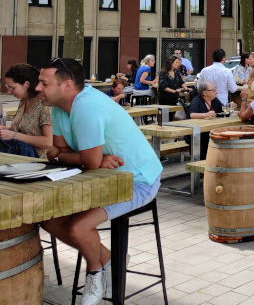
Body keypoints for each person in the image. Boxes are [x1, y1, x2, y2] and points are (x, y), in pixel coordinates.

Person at [38, 58, 162, 305]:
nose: (38, 88)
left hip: (136, 180)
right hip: (99, 180)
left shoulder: (87, 107)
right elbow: (62, 152)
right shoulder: (57, 106)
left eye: (44, 83)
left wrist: (84, 158)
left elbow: (77, 158)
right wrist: (84, 158)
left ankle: (95, 273)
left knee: (78, 227)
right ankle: (109, 259)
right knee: (48, 219)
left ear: (67, 85)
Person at [2, 63, 53, 158]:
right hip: (19, 153)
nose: (8, 92)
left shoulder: (44, 105)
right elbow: (26, 129)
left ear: (26, 84)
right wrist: (6, 129)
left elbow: (48, 142)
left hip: (36, 159)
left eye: (12, 88)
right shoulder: (25, 99)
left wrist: (14, 135)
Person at [188, 80, 224, 159]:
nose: (216, 91)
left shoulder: (215, 100)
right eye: (213, 90)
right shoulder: (196, 101)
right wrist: (205, 115)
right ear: (205, 93)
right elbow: (192, 115)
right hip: (198, 134)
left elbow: (220, 112)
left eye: (215, 89)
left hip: (210, 132)